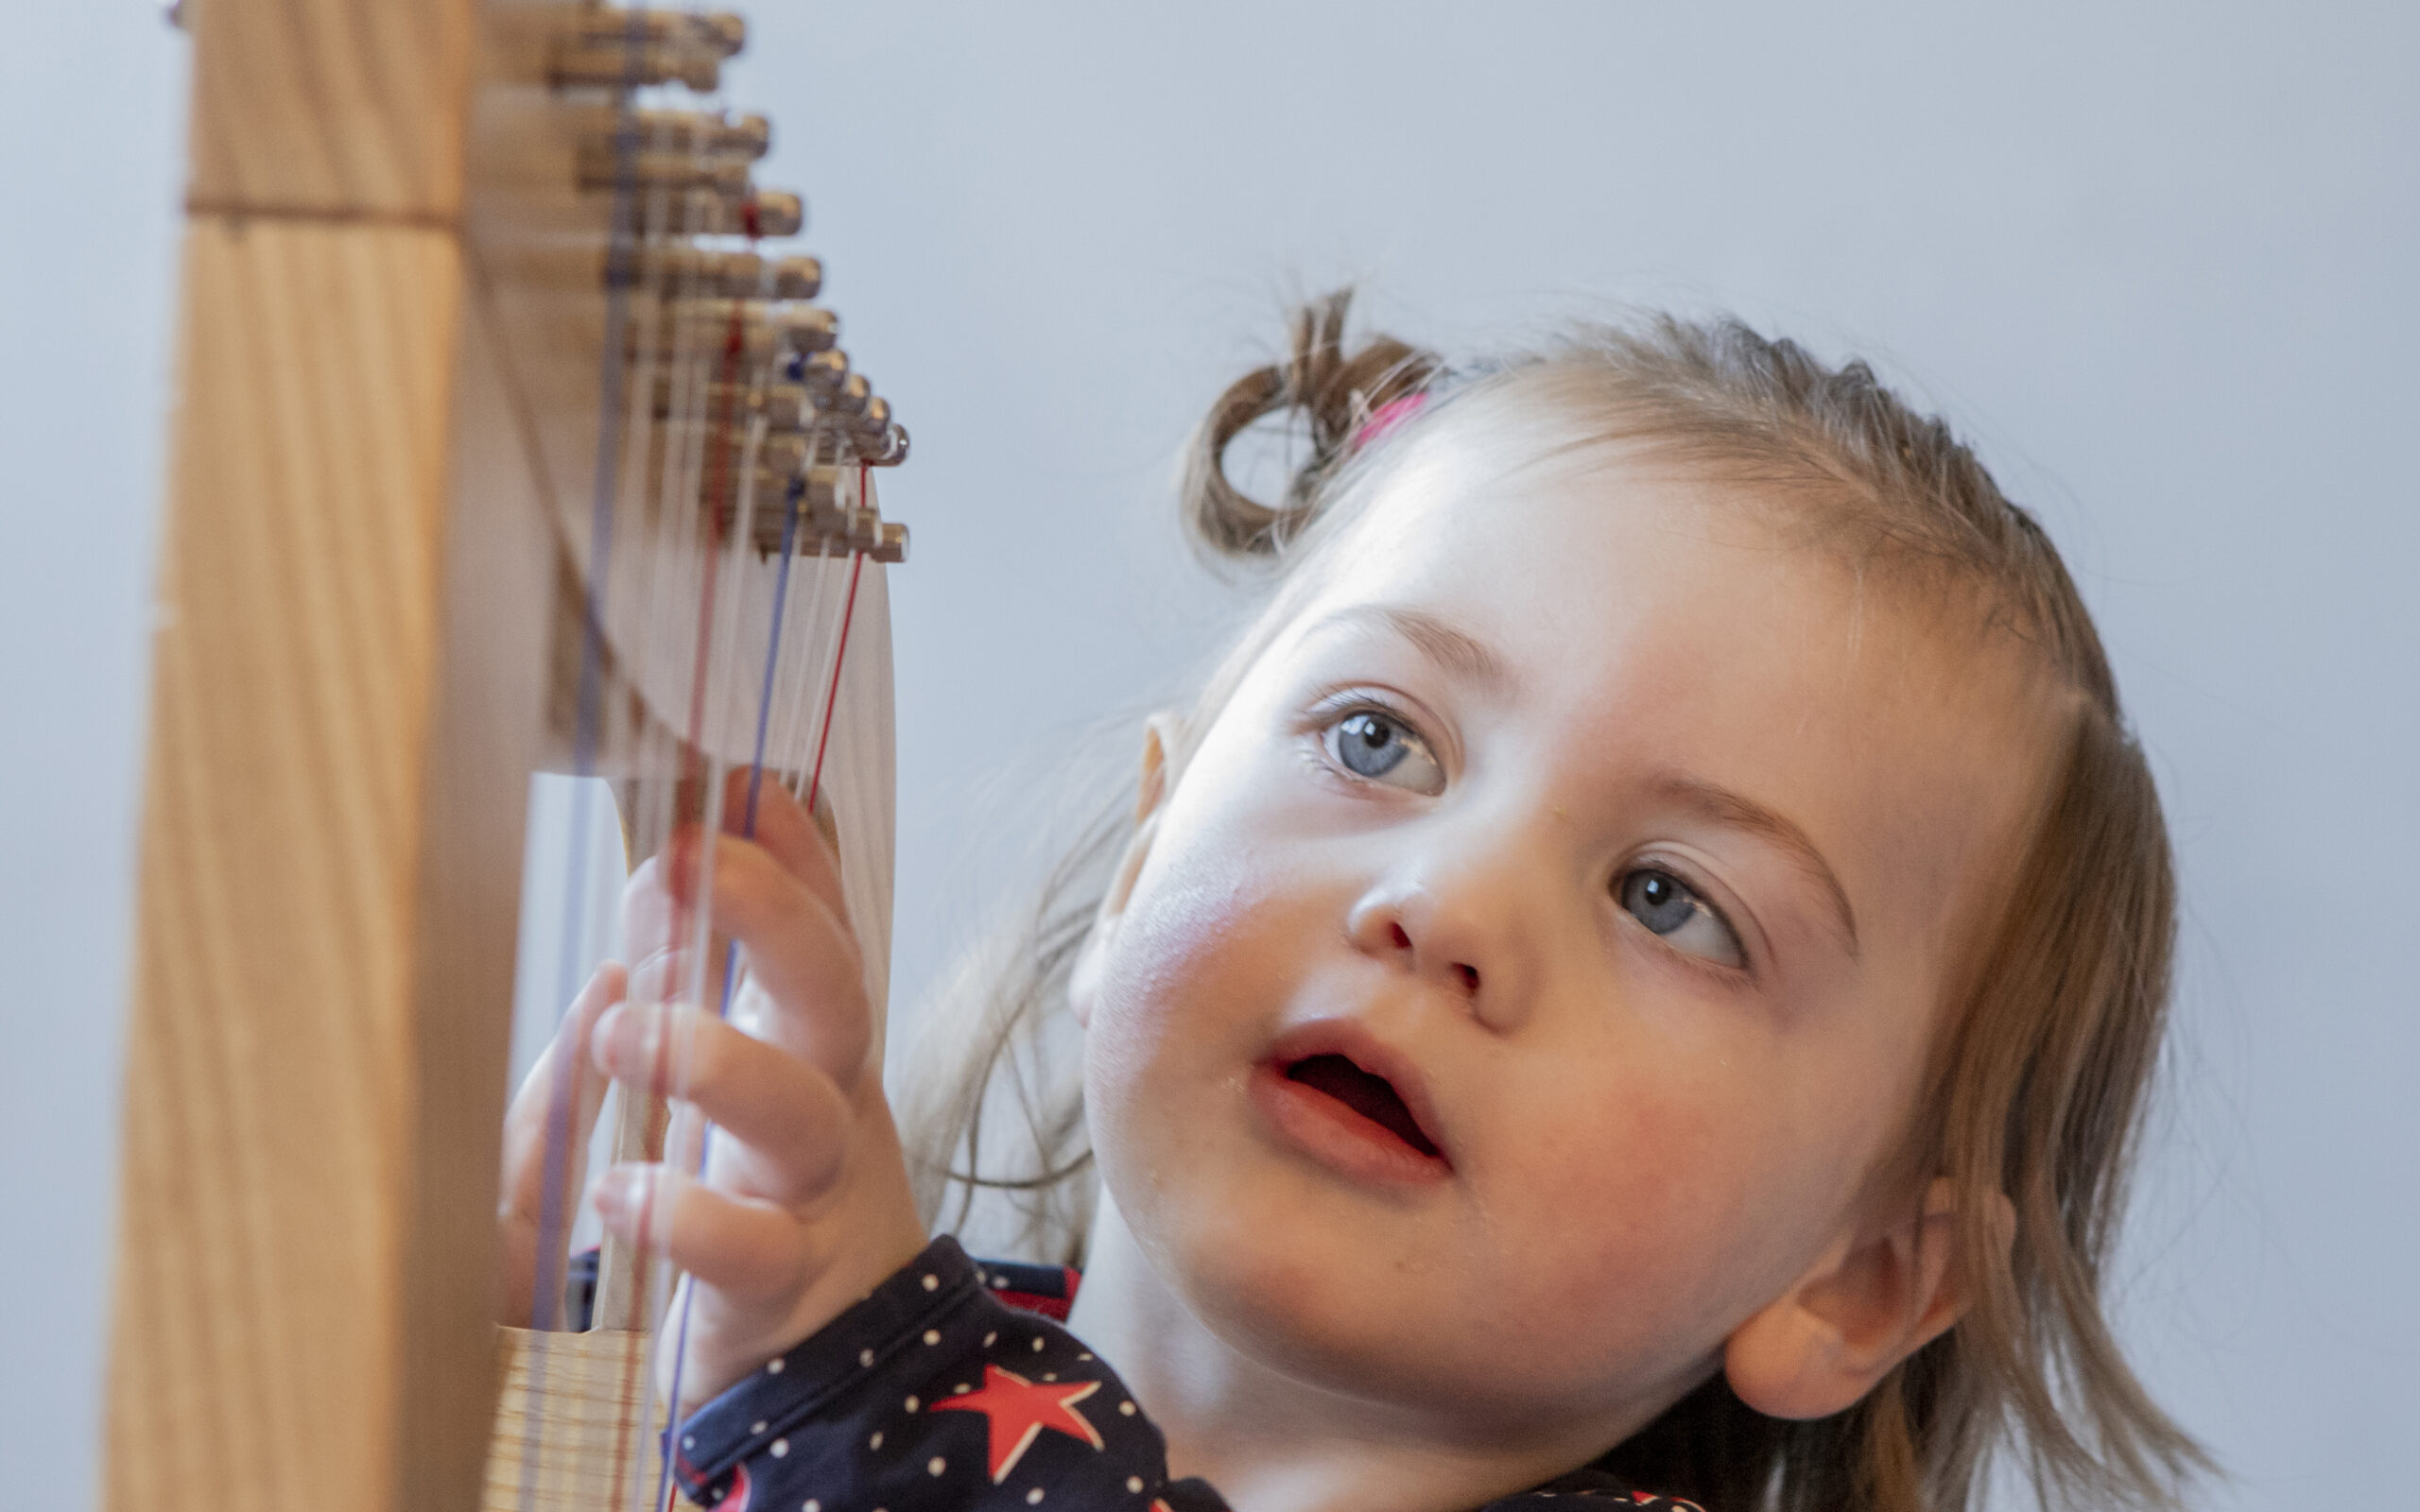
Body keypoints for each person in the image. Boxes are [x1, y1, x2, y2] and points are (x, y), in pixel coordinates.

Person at [500, 293, 2207, 1512]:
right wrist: (466, 1376)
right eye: (1381, 738)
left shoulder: (857, 1378)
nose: (1443, 903)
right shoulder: (800, 1362)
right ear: (1138, 872)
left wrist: (867, 1392)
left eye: (1674, 901)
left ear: (1864, 1282)